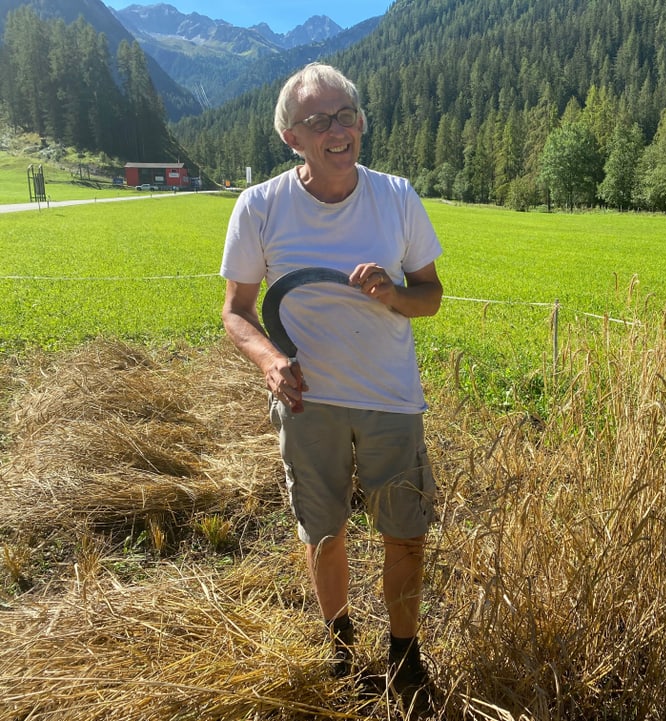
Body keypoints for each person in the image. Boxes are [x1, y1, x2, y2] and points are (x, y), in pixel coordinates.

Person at [219, 62, 443, 695]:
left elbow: (431, 295)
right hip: (307, 401)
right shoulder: (260, 206)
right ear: (292, 137)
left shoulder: (396, 196)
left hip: (390, 399)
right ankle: (342, 643)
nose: (336, 129)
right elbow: (236, 312)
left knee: (404, 530)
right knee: (325, 530)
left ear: (361, 123)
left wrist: (394, 294)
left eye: (345, 115)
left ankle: (404, 657)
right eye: (318, 120)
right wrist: (268, 360)